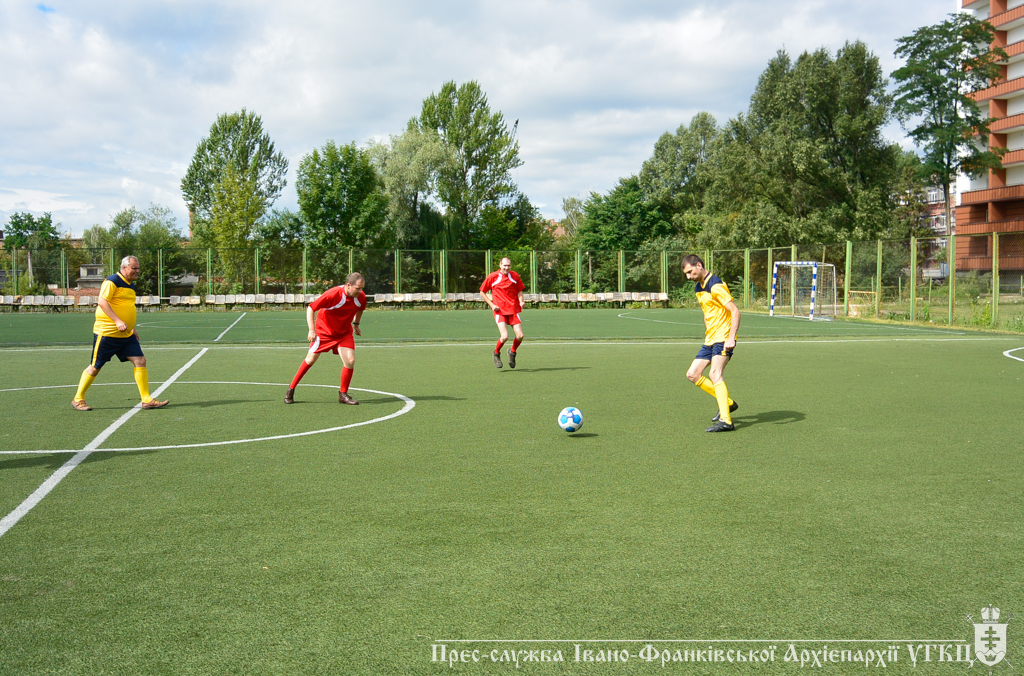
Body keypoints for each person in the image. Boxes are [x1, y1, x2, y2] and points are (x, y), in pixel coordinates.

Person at [71, 256, 168, 411]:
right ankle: (78, 399)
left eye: (138, 268)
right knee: (96, 366)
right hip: (107, 333)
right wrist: (117, 321)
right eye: (134, 268)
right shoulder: (112, 281)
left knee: (140, 360)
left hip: (126, 334)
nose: (137, 271)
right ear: (124, 267)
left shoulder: (131, 285)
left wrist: (132, 328)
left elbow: (126, 306)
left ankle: (146, 399)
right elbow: (102, 302)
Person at [285, 272, 365, 405]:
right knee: (310, 359)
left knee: (350, 360)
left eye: (362, 288)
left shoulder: (360, 296)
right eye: (358, 288)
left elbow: (360, 308)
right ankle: (291, 389)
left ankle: (343, 394)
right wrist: (311, 330)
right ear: (348, 285)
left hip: (344, 333)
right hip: (324, 332)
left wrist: (356, 324)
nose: (360, 291)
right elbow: (311, 308)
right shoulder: (332, 294)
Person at [682, 254, 740, 432]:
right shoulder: (698, 288)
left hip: (723, 338)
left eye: (690, 272)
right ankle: (727, 403)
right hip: (711, 339)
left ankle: (726, 421)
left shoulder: (716, 285)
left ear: (699, 265)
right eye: (686, 274)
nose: (688, 277)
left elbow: (735, 311)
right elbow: (707, 313)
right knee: (692, 374)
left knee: (715, 374)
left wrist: (731, 337)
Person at [480, 257, 525, 369]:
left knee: (520, 336)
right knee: (504, 337)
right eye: (504, 265)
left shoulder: (514, 276)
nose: (506, 267)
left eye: (508, 265)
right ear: (500, 265)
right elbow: (482, 292)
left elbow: (519, 290)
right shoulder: (493, 276)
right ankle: (496, 353)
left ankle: (512, 352)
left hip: (513, 309)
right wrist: (492, 305)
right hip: (499, 311)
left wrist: (521, 301)